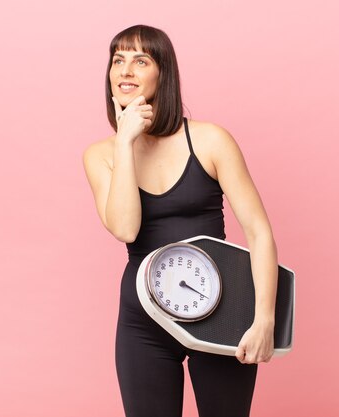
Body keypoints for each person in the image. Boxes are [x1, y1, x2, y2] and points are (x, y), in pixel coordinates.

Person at [83, 24, 279, 417]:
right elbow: (125, 229)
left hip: (221, 308)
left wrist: (264, 319)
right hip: (144, 320)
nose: (125, 71)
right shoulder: (101, 155)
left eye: (141, 61)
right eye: (118, 60)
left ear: (163, 73)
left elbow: (259, 233)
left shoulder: (210, 140)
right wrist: (125, 141)